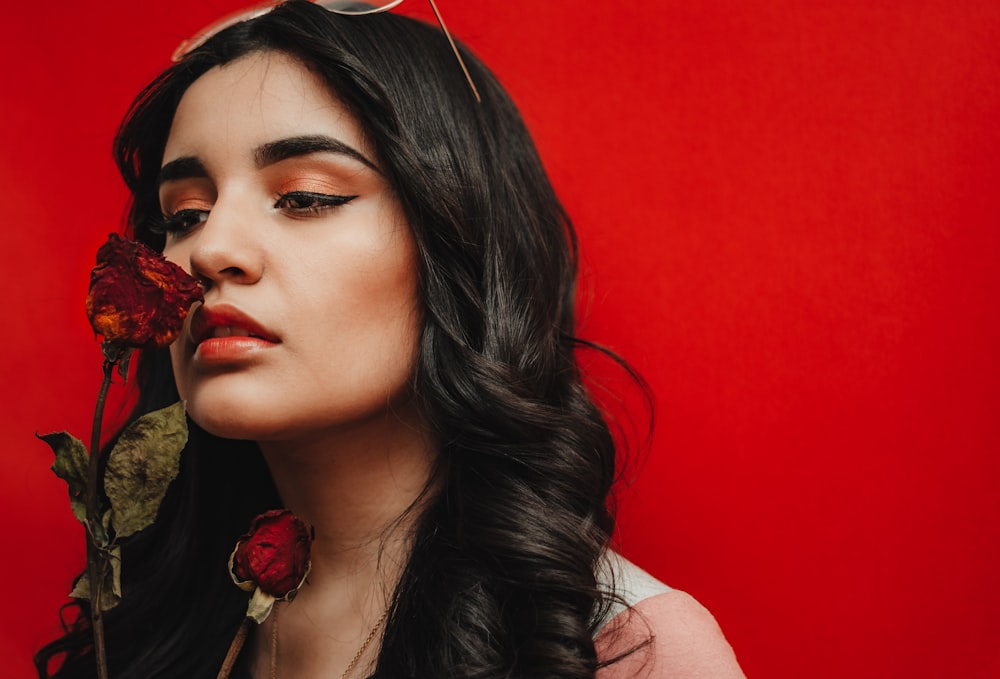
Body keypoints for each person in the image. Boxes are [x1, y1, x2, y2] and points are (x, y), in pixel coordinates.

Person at [37, 2, 745, 677]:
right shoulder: (148, 620)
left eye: (306, 196)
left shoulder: (628, 651)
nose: (210, 248)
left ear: (456, 243)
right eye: (185, 213)